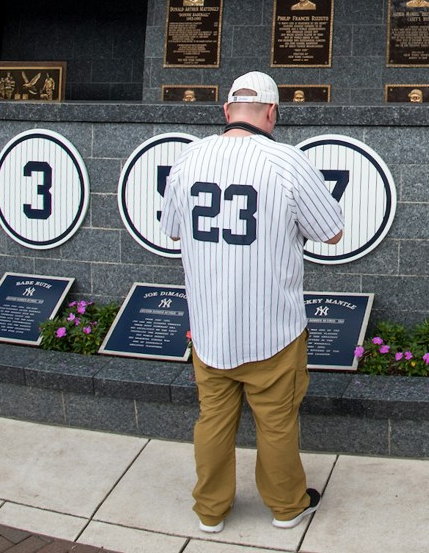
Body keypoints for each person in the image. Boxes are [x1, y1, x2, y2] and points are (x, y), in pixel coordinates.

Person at [159, 71, 345, 535]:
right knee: (277, 422)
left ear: (227, 111)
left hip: (209, 325)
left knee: (213, 421)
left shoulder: (188, 157)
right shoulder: (287, 161)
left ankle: (210, 510)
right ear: (271, 112)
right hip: (271, 325)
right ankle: (286, 506)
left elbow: (174, 229)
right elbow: (332, 231)